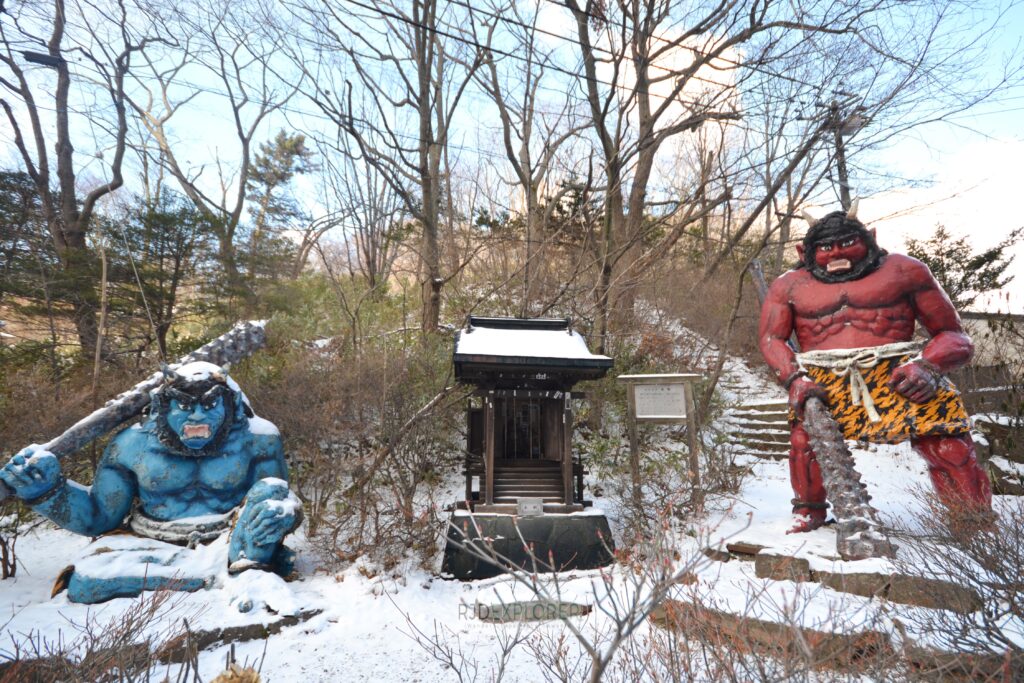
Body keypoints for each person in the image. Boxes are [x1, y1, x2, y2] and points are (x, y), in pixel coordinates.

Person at [758, 203, 991, 532]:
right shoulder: (789, 285)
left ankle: (972, 518)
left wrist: (928, 365)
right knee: (805, 443)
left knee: (949, 443)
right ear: (804, 251)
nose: (837, 253)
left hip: (904, 375)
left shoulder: (904, 270)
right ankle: (809, 512)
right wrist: (795, 379)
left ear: (871, 239)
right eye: (825, 247)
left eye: (848, 243)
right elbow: (771, 339)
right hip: (825, 381)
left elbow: (955, 336)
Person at [0, 361, 301, 601]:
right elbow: (98, 518)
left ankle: (234, 566)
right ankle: (216, 577)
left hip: (228, 540)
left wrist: (286, 514)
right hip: (151, 543)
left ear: (230, 405)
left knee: (272, 492)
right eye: (184, 407)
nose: (197, 416)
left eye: (210, 406)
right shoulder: (132, 445)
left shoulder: (258, 440)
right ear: (163, 407)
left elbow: (274, 498)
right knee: (86, 583)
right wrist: (47, 492)